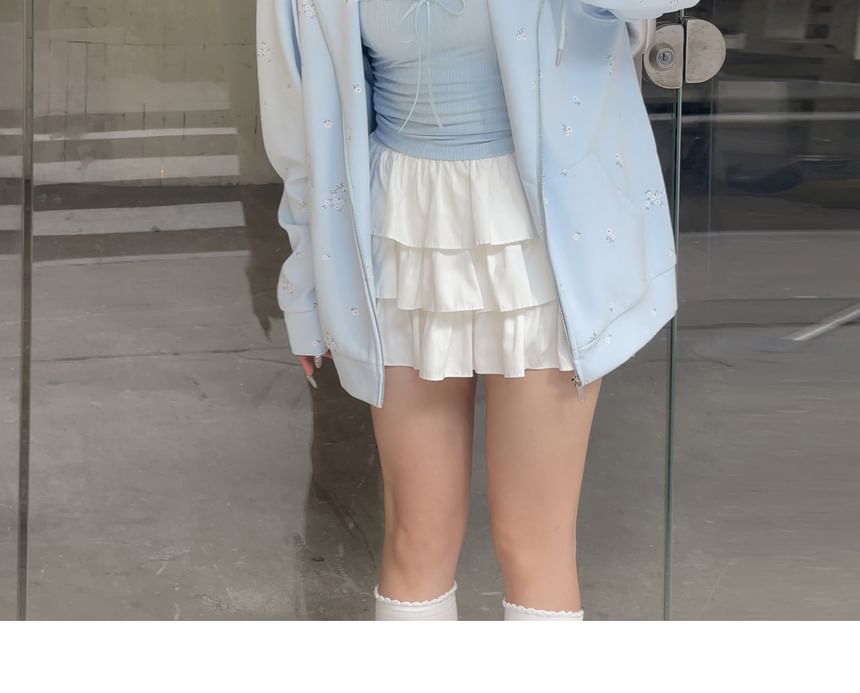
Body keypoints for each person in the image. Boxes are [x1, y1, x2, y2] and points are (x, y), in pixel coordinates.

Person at [256, 0, 698, 620]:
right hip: (401, 235)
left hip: (546, 240)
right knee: (415, 541)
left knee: (534, 547)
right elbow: (297, 126)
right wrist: (306, 289)